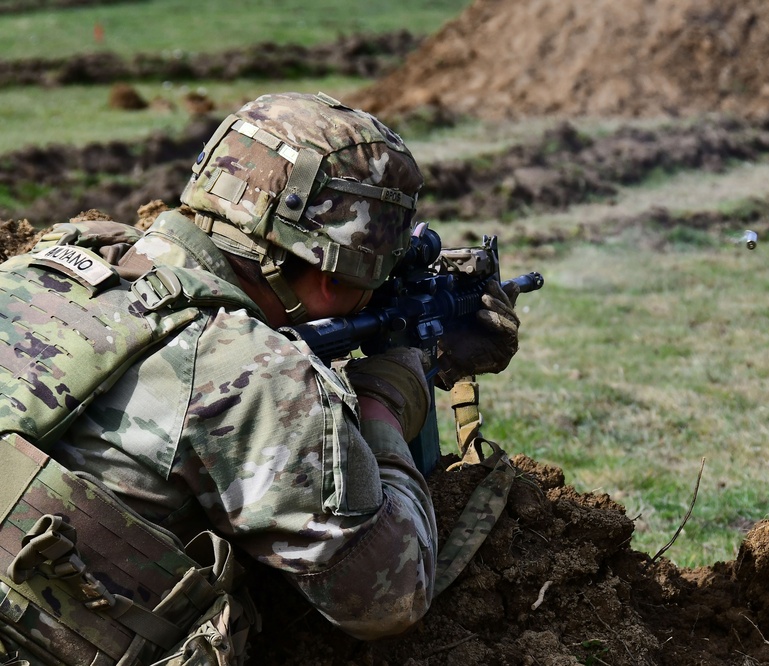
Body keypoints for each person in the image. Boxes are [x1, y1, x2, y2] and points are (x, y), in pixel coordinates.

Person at [0, 92, 520, 665]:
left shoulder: (48, 264)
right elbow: (386, 599)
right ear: (330, 274)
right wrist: (386, 400)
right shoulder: (247, 372)